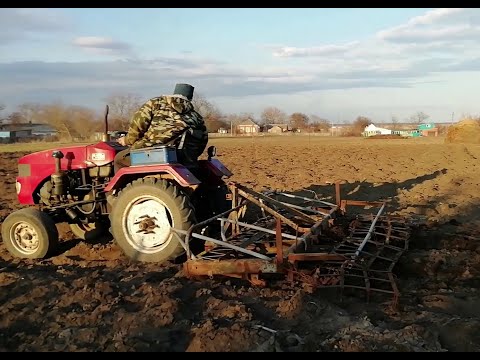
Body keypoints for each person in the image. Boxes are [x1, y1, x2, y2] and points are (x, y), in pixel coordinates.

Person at [114, 83, 208, 173]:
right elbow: (203, 141)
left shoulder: (156, 103)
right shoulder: (196, 117)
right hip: (185, 158)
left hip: (152, 152)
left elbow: (138, 125)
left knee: (119, 158)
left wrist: (127, 140)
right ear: (190, 98)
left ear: (174, 93)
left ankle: (120, 189)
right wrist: (191, 157)